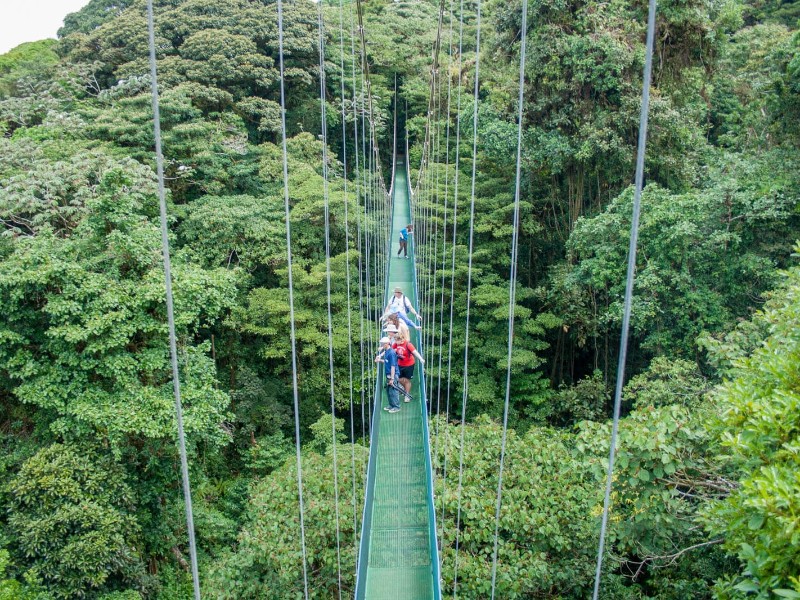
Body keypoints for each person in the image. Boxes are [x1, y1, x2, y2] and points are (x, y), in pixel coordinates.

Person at [393, 330, 424, 401]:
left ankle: (407, 395)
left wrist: (421, 359)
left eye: (396, 340)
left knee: (406, 380)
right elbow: (390, 350)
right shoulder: (396, 344)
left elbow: (415, 352)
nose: (395, 342)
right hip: (399, 364)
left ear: (401, 339)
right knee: (399, 379)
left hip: (409, 365)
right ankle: (404, 389)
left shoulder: (408, 344)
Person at [374, 336, 400, 413]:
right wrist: (379, 360)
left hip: (393, 375)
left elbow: (393, 366)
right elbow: (386, 362)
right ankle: (391, 405)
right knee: (389, 390)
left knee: (393, 391)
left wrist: (392, 378)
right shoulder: (387, 351)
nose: (381, 345)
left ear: (387, 344)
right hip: (388, 374)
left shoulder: (391, 353)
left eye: (382, 344)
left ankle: (396, 407)